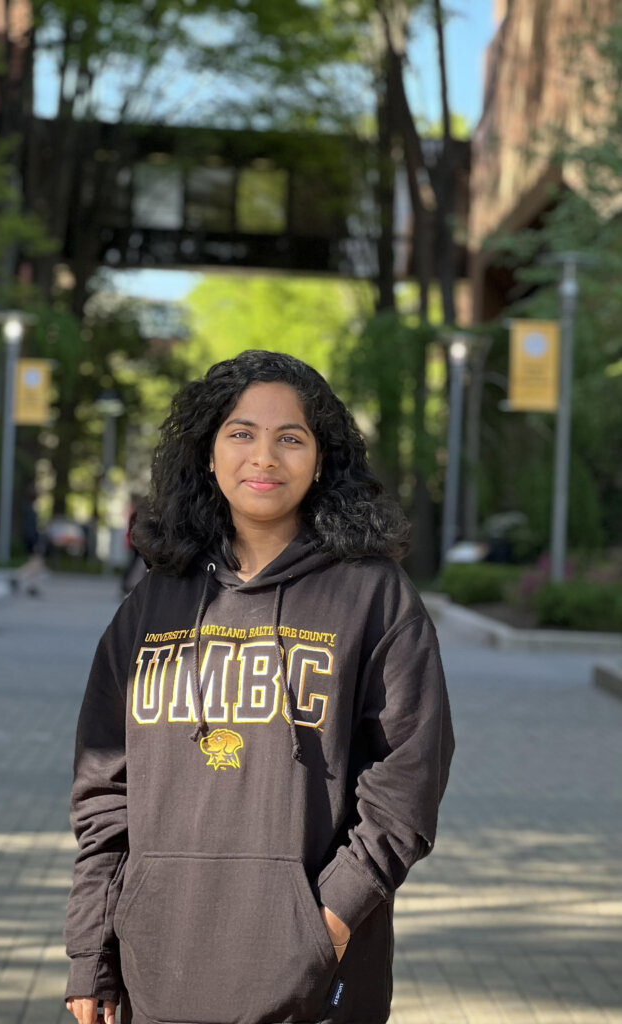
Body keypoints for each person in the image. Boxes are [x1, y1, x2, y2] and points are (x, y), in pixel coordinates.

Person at [64, 350, 454, 1024]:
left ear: (322, 458)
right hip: (157, 973)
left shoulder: (373, 598)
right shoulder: (152, 604)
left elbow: (407, 781)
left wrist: (327, 921)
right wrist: (92, 953)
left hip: (315, 981)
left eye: (290, 437)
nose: (264, 457)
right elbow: (105, 792)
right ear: (208, 456)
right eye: (240, 433)